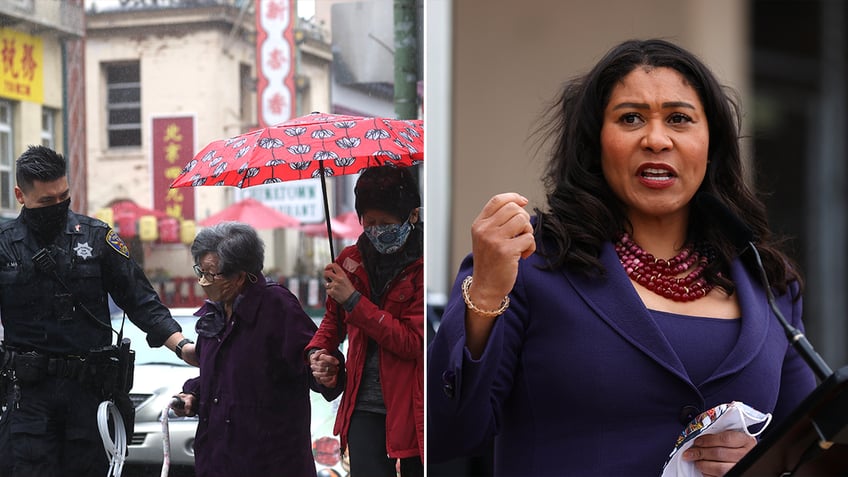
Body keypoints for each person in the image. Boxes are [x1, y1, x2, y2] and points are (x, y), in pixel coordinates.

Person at [427, 39, 819, 477]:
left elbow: (810, 451)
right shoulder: (529, 261)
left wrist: (763, 466)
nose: (656, 139)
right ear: (596, 141)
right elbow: (445, 433)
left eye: (679, 119)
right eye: (630, 118)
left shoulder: (768, 283)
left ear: (711, 143)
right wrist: (485, 292)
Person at [0, 145, 196, 477]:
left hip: (89, 395)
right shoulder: (5, 244)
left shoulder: (96, 237)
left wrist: (181, 345)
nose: (58, 207)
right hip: (29, 397)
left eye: (64, 197)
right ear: (21, 195)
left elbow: (140, 300)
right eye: (47, 201)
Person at [172, 221, 340, 477]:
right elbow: (222, 375)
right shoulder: (215, 311)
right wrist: (193, 396)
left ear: (240, 276)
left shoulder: (277, 307)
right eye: (201, 271)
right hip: (217, 460)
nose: (203, 280)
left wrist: (324, 367)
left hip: (268, 462)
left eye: (211, 273)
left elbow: (313, 359)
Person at [306, 165, 424, 477]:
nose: (375, 230)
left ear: (412, 216)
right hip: (362, 409)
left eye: (385, 223)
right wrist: (319, 355)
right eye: (368, 222)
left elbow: (413, 342)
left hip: (412, 411)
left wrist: (355, 301)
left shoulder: (426, 264)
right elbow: (332, 323)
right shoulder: (349, 260)